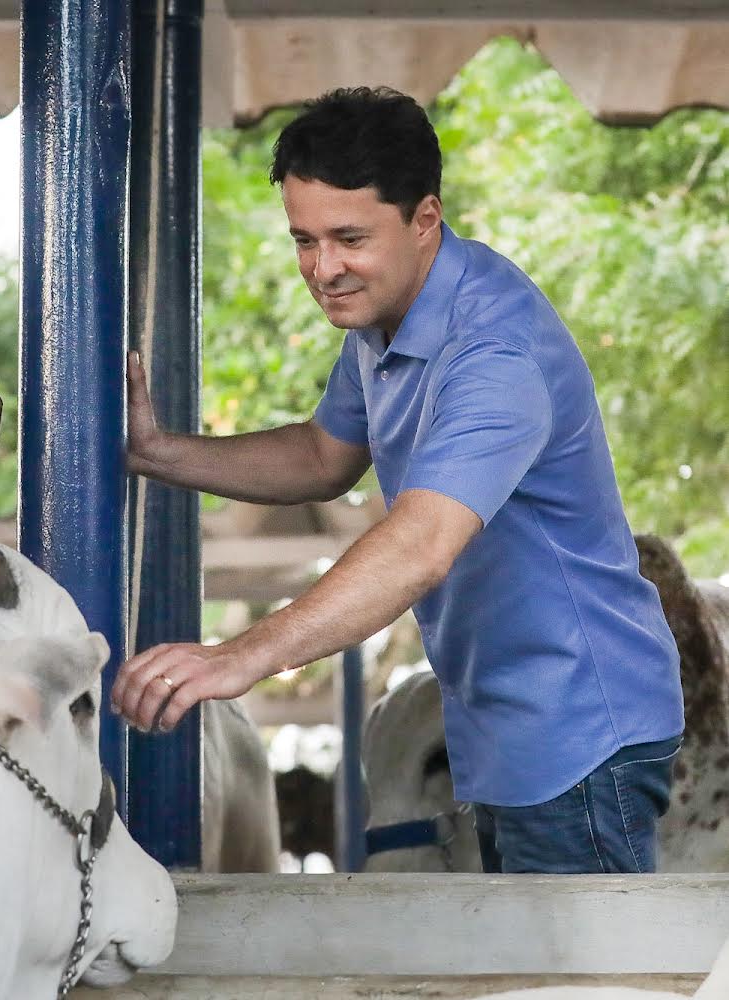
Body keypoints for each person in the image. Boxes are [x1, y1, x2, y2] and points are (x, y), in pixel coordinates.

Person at [112, 86, 684, 875]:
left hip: (581, 728)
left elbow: (420, 545)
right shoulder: (386, 317)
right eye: (305, 240)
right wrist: (159, 453)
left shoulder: (494, 352)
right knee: (512, 950)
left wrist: (241, 656)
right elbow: (323, 456)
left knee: (574, 958)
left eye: (350, 238)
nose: (324, 269)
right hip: (505, 725)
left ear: (425, 219)